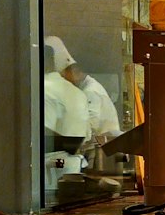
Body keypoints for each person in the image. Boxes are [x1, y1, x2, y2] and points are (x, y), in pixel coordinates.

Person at [45, 36, 122, 143]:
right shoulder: (85, 88)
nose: (63, 79)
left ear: (75, 71)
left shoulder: (90, 92)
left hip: (104, 151)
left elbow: (90, 125)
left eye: (64, 75)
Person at [43, 43, 89, 189]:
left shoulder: (44, 88)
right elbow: (86, 136)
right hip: (74, 167)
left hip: (51, 168)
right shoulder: (78, 93)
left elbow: (44, 131)